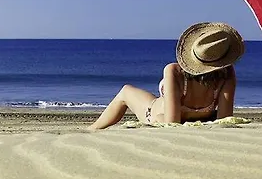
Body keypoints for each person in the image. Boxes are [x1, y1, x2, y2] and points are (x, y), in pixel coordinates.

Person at [88, 22, 245, 129]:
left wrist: (161, 120)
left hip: (155, 114)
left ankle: (93, 129)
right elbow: (224, 119)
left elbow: (171, 121)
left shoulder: (174, 71)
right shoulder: (227, 74)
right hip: (201, 118)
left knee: (126, 91)